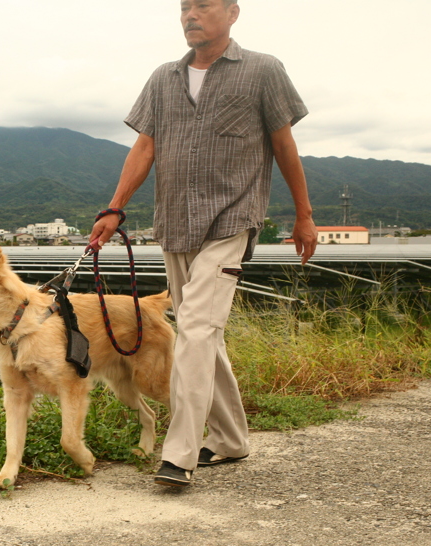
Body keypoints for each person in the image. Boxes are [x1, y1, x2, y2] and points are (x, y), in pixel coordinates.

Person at [88, 0, 317, 487]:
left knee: (193, 329)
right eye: (185, 7)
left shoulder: (262, 71)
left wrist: (305, 215)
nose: (192, 14)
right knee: (203, 334)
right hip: (174, 225)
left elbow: (284, 146)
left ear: (233, 13)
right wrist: (115, 207)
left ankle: (180, 453)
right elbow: (145, 147)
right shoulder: (163, 78)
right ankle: (231, 439)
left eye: (204, 5)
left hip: (232, 221)